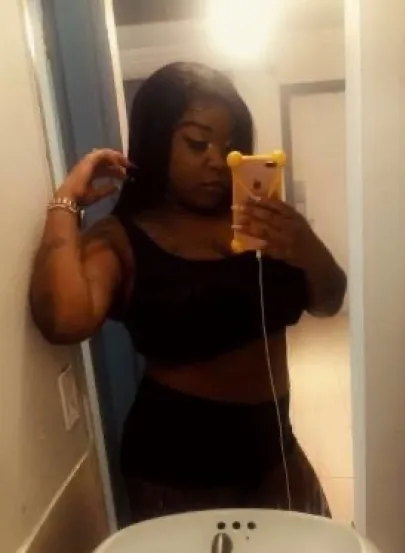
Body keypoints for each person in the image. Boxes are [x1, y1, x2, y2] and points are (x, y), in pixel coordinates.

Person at [30, 62, 346, 523]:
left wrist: (307, 247)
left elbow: (329, 300)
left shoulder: (259, 222)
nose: (216, 160)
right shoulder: (123, 238)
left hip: (276, 449)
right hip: (176, 471)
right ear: (157, 140)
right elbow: (64, 319)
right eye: (197, 143)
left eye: (229, 145)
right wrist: (66, 202)